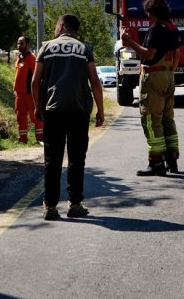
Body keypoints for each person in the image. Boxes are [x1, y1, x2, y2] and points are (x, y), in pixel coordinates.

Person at [32, 15, 105, 221]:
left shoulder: (46, 47)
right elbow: (94, 81)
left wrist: (38, 107)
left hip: (53, 111)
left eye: (56, 25)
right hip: (79, 111)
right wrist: (100, 110)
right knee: (76, 159)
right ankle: (75, 204)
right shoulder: (84, 49)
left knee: (52, 160)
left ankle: (51, 207)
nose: (55, 29)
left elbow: (36, 81)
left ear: (62, 26)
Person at [120, 0, 181, 176]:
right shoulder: (172, 28)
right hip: (169, 75)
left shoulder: (155, 29)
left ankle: (156, 162)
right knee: (167, 118)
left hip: (153, 76)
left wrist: (129, 41)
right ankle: (172, 158)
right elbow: (177, 53)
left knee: (151, 118)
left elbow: (149, 55)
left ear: (150, 11)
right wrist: (170, 72)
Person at [13, 36, 43, 144]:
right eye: (18, 43)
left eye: (21, 43)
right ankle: (23, 139)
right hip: (19, 95)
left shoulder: (32, 59)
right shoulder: (18, 58)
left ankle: (40, 138)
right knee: (20, 117)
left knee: (36, 117)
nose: (19, 46)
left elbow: (38, 77)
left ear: (28, 45)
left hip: (30, 95)